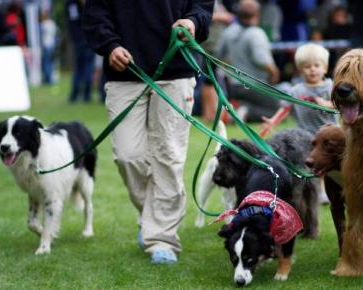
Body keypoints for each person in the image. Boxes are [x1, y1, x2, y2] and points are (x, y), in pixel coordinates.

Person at [83, 0, 213, 264]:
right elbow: (95, 14)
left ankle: (162, 239)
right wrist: (110, 46)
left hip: (176, 71)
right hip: (125, 72)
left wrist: (192, 22)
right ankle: (153, 219)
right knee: (127, 156)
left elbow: (202, 7)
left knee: (168, 156)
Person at [261, 43, 336, 204]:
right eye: (307, 67)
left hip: (329, 134)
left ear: (325, 67)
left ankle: (332, 190)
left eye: (317, 65)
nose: (312, 70)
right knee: (311, 165)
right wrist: (272, 121)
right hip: (306, 135)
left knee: (330, 165)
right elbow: (285, 108)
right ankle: (319, 191)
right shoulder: (296, 91)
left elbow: (339, 105)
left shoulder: (331, 87)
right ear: (300, 70)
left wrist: (326, 104)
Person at [215, 0, 280, 122]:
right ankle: (246, 112)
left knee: (261, 101)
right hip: (254, 84)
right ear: (257, 14)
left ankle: (236, 108)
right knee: (275, 109)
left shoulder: (229, 31)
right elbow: (261, 60)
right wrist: (274, 71)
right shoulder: (257, 33)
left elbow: (218, 55)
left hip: (233, 86)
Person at [67, 0, 95, 102]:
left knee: (85, 68)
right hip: (82, 40)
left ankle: (82, 94)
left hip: (86, 39)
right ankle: (79, 94)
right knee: (83, 68)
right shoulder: (72, 3)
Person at [40, 9, 57, 85]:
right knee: (50, 63)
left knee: (46, 63)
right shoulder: (52, 24)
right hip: (52, 45)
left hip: (46, 45)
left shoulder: (44, 24)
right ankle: (50, 79)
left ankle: (48, 79)